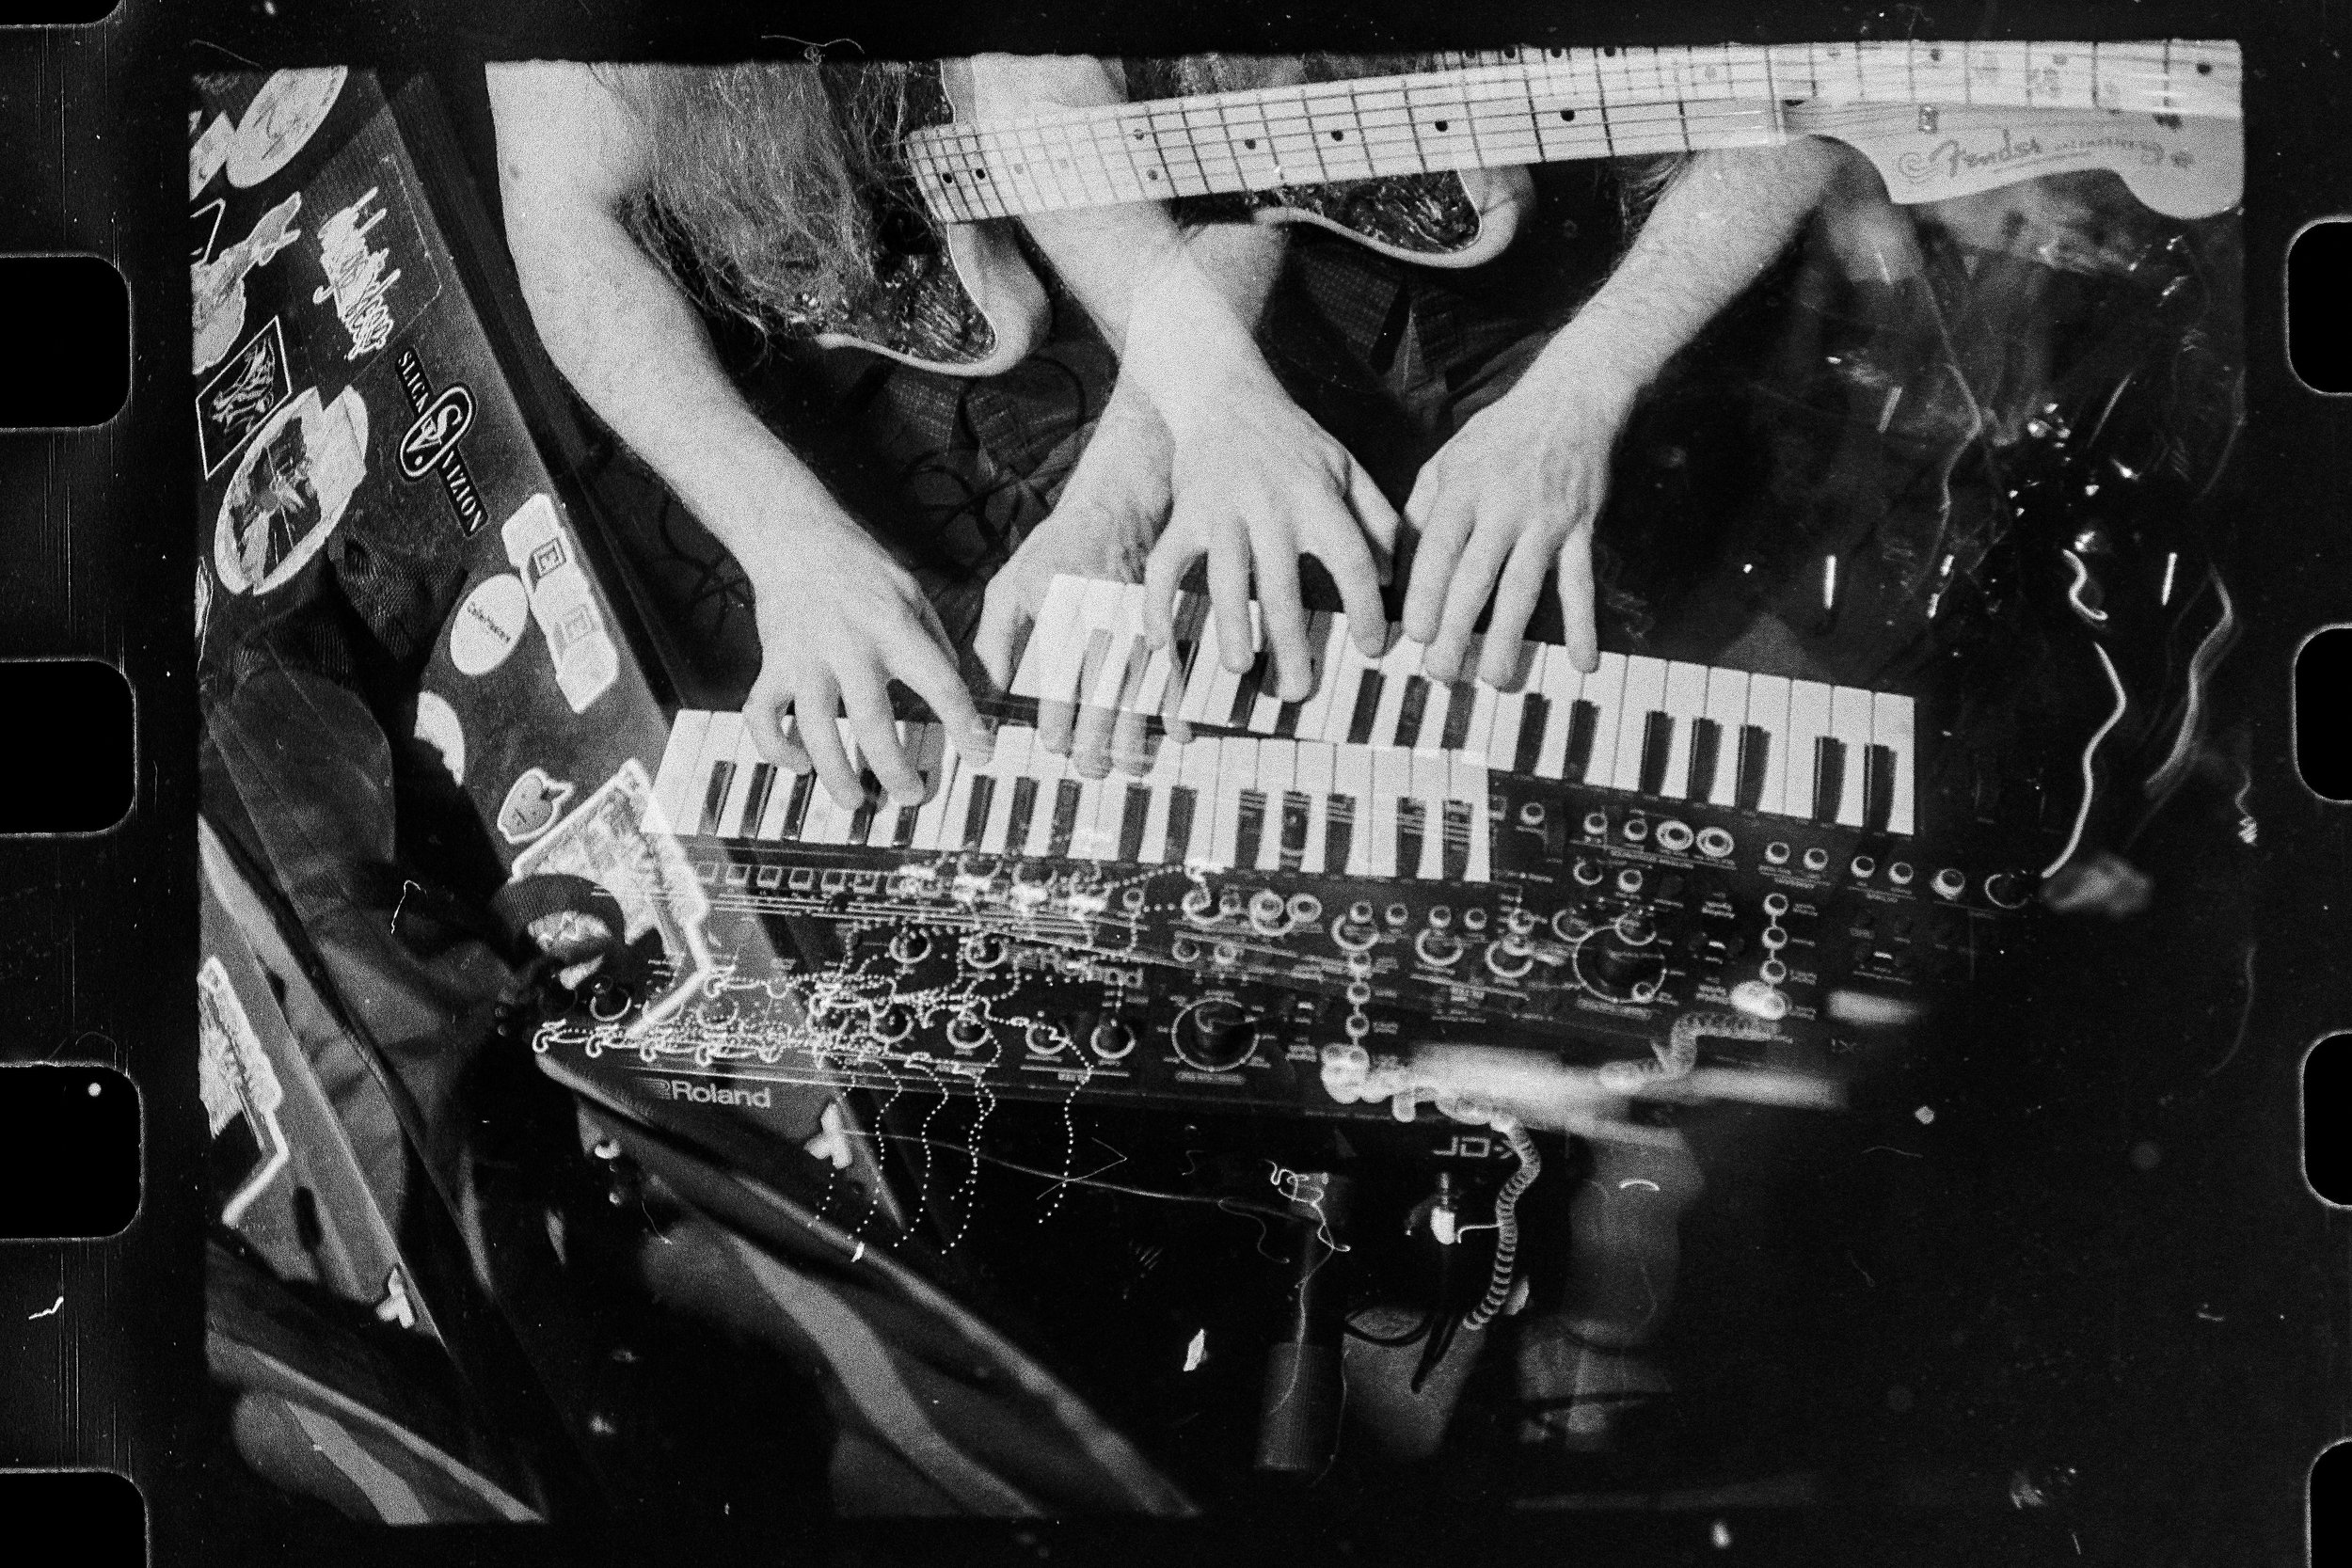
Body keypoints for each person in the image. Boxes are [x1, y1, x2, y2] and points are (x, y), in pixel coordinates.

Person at [487, 54, 1847, 810]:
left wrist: (1580, 392)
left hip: (1490, 289)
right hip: (1046, 354)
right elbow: (562, 215)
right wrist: (789, 540)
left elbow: (1216, 150)